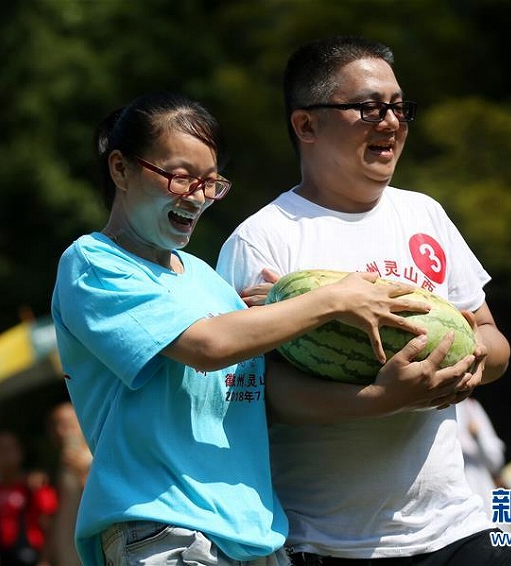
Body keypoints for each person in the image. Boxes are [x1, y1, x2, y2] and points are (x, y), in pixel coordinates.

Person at [51, 91, 475, 566]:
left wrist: (383, 394)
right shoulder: (93, 264)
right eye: (180, 177)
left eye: (210, 183)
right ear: (121, 169)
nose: (197, 197)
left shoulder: (207, 280)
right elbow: (208, 347)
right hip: (166, 528)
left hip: (255, 534)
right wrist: (331, 300)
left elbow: (264, 387)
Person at [216, 35, 511, 565]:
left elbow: (492, 338)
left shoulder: (424, 215)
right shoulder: (263, 241)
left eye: (399, 107)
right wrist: (385, 397)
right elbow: (259, 396)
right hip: (330, 546)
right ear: (306, 124)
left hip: (459, 528)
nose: (390, 122)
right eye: (368, 107)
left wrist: (467, 367)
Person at [0, 430, 58, 566]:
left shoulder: (35, 487)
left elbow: (51, 525)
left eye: (10, 448)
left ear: (20, 452)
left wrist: (45, 560)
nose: (5, 454)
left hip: (33, 554)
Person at [46, 403, 90, 566]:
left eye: (69, 425)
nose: (61, 432)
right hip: (65, 545)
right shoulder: (58, 466)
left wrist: (84, 472)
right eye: (56, 425)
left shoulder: (93, 458)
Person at [457, 396, 506, 522]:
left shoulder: (471, 407)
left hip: (481, 493)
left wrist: (478, 436)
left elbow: (496, 461)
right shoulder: (429, 406)